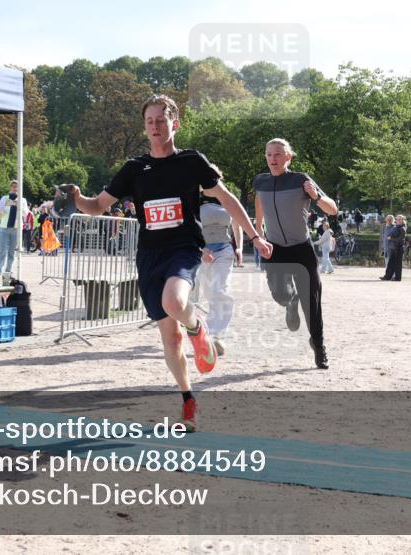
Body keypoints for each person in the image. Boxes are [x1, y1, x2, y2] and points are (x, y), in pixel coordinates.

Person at [70, 94, 272, 432]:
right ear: (144, 127)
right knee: (171, 339)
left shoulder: (192, 162)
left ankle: (199, 329)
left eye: (161, 121)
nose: (155, 127)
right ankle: (188, 400)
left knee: (175, 302)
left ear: (174, 124)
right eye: (149, 122)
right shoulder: (134, 169)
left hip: (184, 247)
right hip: (150, 256)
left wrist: (254, 236)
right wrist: (77, 198)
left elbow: (229, 199)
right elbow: (98, 206)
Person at [253, 138, 337, 370]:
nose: (273, 159)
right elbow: (259, 200)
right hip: (274, 248)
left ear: (288, 157)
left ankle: (319, 347)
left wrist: (316, 196)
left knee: (312, 303)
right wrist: (258, 229)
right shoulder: (260, 181)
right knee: (279, 294)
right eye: (269, 155)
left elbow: (333, 209)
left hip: (301, 249)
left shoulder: (301, 180)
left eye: (278, 154)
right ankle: (290, 303)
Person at [197, 194, 244, 356]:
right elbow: (189, 229)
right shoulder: (194, 199)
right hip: (202, 252)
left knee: (220, 291)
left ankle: (214, 335)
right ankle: (209, 332)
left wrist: (239, 248)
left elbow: (237, 226)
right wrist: (201, 250)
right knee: (209, 293)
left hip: (224, 250)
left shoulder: (227, 200)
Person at [0, 181, 29, 279]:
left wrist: (19, 206)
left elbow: (25, 214)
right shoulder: (4, 198)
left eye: (17, 187)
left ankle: (8, 272)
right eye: (13, 187)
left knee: (12, 252)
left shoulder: (23, 200)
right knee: (2, 251)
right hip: (4, 227)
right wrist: (6, 205)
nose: (15, 189)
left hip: (16, 228)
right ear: (10, 187)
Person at [381, 215, 405, 281]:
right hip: (395, 248)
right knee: (391, 263)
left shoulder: (402, 228)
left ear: (402, 221)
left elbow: (400, 239)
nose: (398, 220)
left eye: (400, 219)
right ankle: (387, 276)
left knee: (397, 264)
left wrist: (391, 238)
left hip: (399, 248)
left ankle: (397, 278)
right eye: (397, 219)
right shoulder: (397, 227)